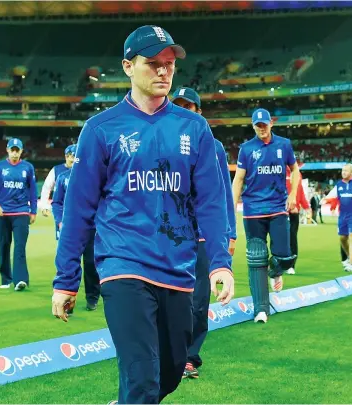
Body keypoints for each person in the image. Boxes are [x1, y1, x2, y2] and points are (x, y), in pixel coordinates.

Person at [51, 25, 234, 405]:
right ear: (128, 67)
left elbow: (212, 203)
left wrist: (220, 262)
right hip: (124, 266)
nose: (164, 71)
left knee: (169, 373)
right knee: (143, 378)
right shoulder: (100, 129)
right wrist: (66, 279)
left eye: (169, 64)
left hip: (178, 269)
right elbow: (78, 210)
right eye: (153, 63)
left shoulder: (195, 129)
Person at [169, 86, 237, 380]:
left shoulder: (215, 147)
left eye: (190, 107)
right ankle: (168, 351)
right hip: (169, 235)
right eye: (179, 105)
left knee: (198, 301)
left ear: (199, 112)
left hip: (202, 236)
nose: (185, 110)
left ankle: (189, 356)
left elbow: (223, 193)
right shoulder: (162, 143)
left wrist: (229, 233)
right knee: (169, 297)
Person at [232, 108, 300, 324]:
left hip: (278, 207)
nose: (262, 128)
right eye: (257, 125)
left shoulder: (284, 144)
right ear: (253, 126)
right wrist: (231, 207)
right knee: (256, 259)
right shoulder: (246, 149)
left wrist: (293, 194)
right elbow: (239, 180)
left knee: (285, 255)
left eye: (264, 124)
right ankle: (260, 310)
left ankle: (275, 272)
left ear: (271, 123)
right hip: (253, 210)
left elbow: (296, 171)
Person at [51, 145, 101, 312]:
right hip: (70, 228)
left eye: (76, 155)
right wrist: (60, 221)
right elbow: (57, 203)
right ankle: (68, 301)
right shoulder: (63, 177)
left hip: (90, 227)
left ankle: (92, 297)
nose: (73, 159)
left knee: (90, 263)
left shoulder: (92, 177)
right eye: (70, 156)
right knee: (68, 263)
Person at [0, 138, 37, 291]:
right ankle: (5, 278)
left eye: (17, 150)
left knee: (20, 247)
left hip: (21, 212)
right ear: (7, 150)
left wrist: (33, 211)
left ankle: (20, 279)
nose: (15, 153)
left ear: (21, 151)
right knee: (3, 246)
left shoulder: (28, 167)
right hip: (2, 214)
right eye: (12, 150)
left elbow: (33, 191)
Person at [40, 144, 76, 240]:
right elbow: (46, 188)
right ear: (66, 156)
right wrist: (44, 206)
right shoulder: (57, 170)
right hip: (62, 212)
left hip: (79, 213)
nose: (72, 159)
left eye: (74, 156)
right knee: (63, 243)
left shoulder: (83, 170)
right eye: (70, 156)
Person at [285, 165, 310, 275]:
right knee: (278, 238)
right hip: (281, 210)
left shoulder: (297, 173)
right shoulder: (279, 171)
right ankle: (279, 264)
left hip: (294, 211)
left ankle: (291, 265)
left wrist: (306, 206)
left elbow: (300, 191)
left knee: (292, 238)